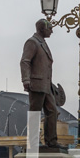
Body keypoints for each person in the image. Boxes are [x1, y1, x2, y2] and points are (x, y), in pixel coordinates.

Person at [20, 18, 61, 149]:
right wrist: (26, 80)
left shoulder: (42, 43)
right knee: (35, 113)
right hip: (37, 84)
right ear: (41, 29)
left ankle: (52, 141)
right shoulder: (32, 42)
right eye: (50, 28)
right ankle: (33, 143)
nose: (52, 31)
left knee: (52, 111)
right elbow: (25, 61)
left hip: (46, 85)